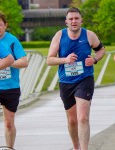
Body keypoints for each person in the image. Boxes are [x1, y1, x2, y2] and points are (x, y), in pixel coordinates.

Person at [46, 7, 105, 150]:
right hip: (66, 82)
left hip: (85, 79)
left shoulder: (89, 35)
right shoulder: (59, 36)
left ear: (81, 21)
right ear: (66, 22)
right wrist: (65, 60)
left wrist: (95, 59)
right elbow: (49, 60)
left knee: (83, 118)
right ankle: (75, 147)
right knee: (72, 121)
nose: (74, 21)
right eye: (71, 19)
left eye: (76, 18)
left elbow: (101, 50)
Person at [0, 10, 28, 149]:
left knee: (8, 122)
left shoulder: (12, 41)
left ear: (5, 25)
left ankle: (9, 148)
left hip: (11, 87)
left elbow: (24, 62)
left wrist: (7, 62)